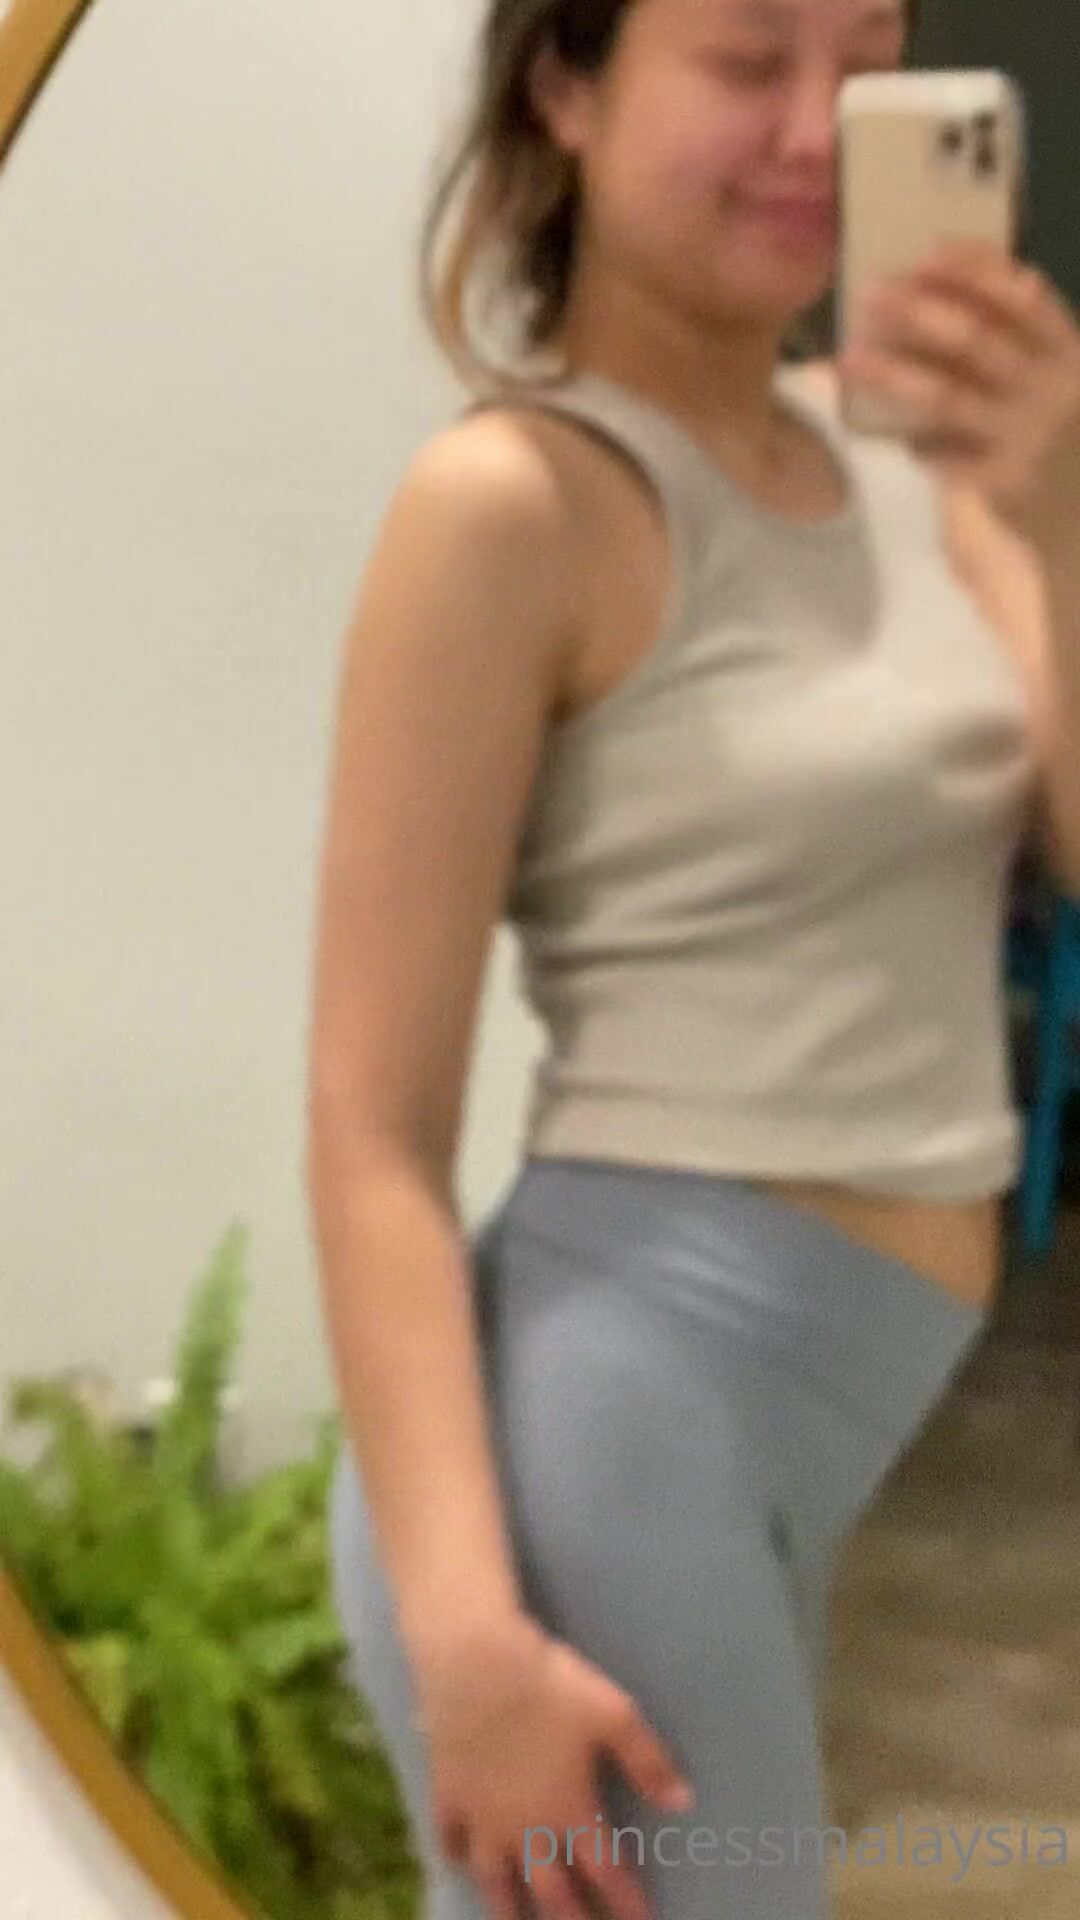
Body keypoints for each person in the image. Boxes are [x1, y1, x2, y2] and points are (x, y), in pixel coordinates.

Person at [306, 3, 1080, 1917]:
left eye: (864, 63)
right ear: (566, 88)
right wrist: (470, 1640)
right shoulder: (513, 504)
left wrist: (1057, 505)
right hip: (605, 1443)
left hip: (786, 1434)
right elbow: (371, 1134)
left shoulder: (926, 465)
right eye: (747, 61)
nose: (818, 130)